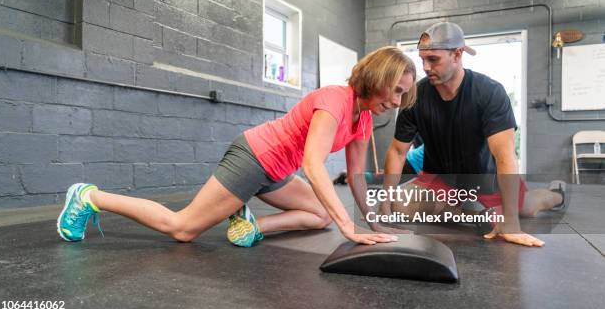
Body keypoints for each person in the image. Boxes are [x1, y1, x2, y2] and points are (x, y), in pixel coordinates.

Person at [57, 46, 418, 247]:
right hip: (254, 156)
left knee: (323, 214)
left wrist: (373, 223)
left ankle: (251, 225)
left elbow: (355, 176)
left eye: (405, 94)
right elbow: (313, 165)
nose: (400, 101)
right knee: (183, 229)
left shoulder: (365, 117)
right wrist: (349, 228)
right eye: (397, 90)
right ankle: (89, 197)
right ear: (378, 78)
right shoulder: (334, 100)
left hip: (277, 172)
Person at [379, 22, 566, 248]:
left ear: (457, 55)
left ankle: (556, 193)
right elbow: (398, 152)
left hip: (486, 180)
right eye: (422, 60)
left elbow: (505, 156)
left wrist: (511, 221)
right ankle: (472, 210)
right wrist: (385, 205)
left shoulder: (489, 93)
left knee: (525, 208)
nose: (426, 67)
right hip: (441, 180)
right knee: (400, 205)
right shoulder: (416, 97)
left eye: (434, 60)